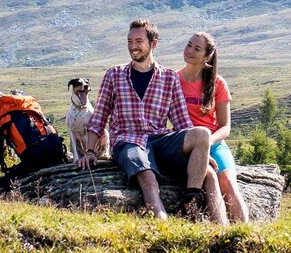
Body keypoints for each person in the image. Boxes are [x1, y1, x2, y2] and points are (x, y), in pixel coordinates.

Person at [79, 19, 226, 223]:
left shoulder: (169, 78)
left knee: (206, 157)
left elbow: (183, 122)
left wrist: (200, 152)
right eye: (130, 41)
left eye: (139, 41)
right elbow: (99, 117)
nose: (133, 46)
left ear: (153, 44)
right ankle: (162, 222)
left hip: (159, 140)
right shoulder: (114, 74)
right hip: (128, 141)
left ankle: (210, 218)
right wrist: (89, 151)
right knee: (147, 174)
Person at [178, 32, 250, 223]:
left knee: (228, 182)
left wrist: (206, 144)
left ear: (207, 57)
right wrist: (198, 148)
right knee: (209, 176)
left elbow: (225, 127)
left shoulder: (218, 83)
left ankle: (246, 233)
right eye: (189, 45)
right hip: (185, 143)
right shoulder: (174, 80)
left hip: (215, 143)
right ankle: (221, 231)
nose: (190, 51)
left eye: (197, 49)